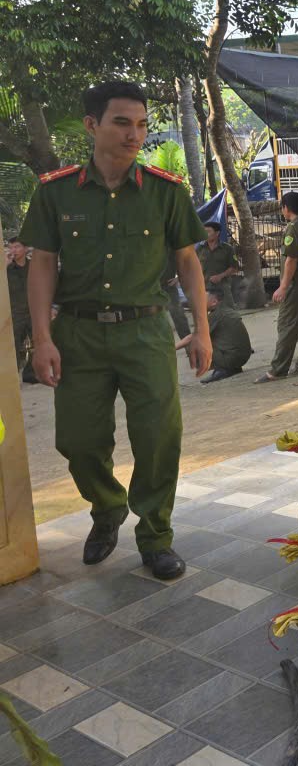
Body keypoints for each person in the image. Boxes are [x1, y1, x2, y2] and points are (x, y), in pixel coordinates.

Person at [21, 81, 211, 580]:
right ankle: (107, 507)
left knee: (158, 438)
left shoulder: (165, 192)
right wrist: (42, 338)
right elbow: (42, 265)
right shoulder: (56, 192)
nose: (135, 134)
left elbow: (188, 263)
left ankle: (156, 536)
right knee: (78, 441)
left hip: (146, 332)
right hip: (78, 334)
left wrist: (202, 330)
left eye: (142, 124)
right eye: (122, 123)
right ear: (92, 125)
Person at [256, 191, 298, 383]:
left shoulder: (293, 229)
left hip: (295, 285)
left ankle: (278, 370)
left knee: (287, 325)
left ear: (286, 208)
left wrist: (283, 287)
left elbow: (291, 259)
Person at [177, 289, 251, 383]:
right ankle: (231, 368)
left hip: (233, 358)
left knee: (196, 344)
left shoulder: (216, 315)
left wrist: (171, 348)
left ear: (214, 302)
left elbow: (193, 337)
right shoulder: (224, 310)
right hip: (240, 357)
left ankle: (222, 369)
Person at [6, 236, 36, 383]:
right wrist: (4, 266)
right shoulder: (6, 269)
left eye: (17, 247)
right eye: (11, 247)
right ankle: (13, 377)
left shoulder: (34, 267)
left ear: (26, 248)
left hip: (33, 312)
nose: (13, 250)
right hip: (14, 313)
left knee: (38, 343)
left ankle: (30, 373)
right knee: (13, 347)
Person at [195, 220, 240, 307]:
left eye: (208, 231)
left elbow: (234, 268)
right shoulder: (200, 249)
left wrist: (220, 276)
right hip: (204, 288)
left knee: (228, 310)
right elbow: (193, 267)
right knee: (205, 311)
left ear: (217, 233)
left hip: (222, 288)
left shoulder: (227, 249)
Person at [162, 252, 190, 340]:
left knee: (178, 316)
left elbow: (187, 262)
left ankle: (188, 343)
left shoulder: (170, 248)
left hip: (168, 287)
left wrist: (179, 278)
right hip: (151, 289)